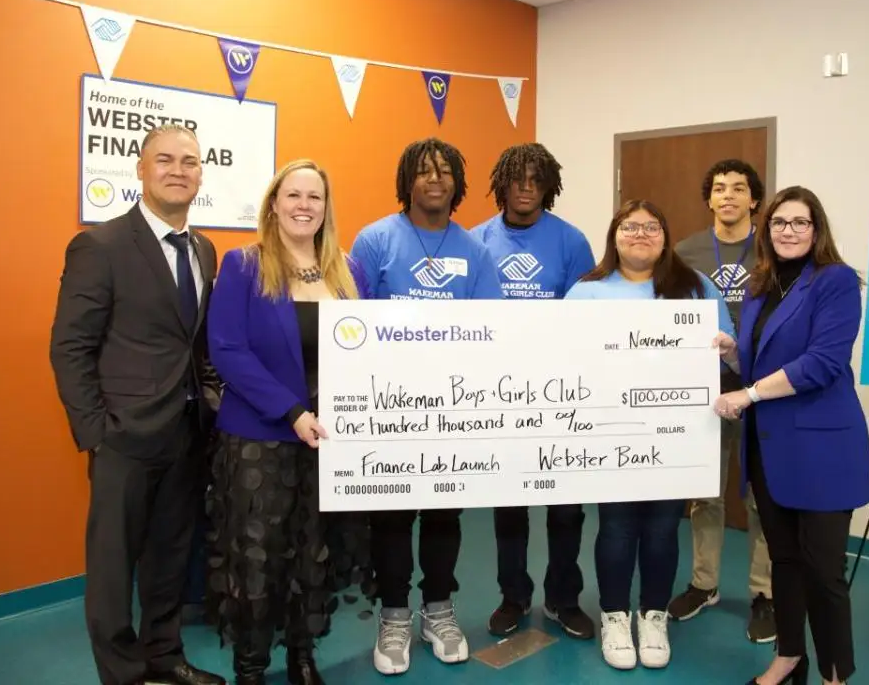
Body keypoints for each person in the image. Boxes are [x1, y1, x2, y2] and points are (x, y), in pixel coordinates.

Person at [49, 124, 225, 685]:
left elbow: (195, 340)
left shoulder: (203, 249)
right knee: (112, 566)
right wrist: (95, 430)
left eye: (190, 161)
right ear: (141, 169)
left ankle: (164, 655)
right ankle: (123, 674)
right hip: (122, 437)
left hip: (185, 432)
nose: (179, 170)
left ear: (202, 173)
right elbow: (70, 346)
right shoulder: (99, 245)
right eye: (165, 160)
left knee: (171, 556)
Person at [204, 160, 372, 685]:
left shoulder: (348, 272)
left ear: (326, 208)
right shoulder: (243, 265)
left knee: (312, 554)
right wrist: (292, 411)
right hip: (260, 439)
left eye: (315, 197)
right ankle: (251, 666)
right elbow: (227, 350)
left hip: (329, 441)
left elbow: (367, 347)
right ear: (273, 204)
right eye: (293, 195)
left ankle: (302, 655)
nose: (304, 206)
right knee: (258, 559)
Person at [349, 137, 503, 676]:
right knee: (391, 517)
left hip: (451, 409)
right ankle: (394, 614)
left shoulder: (475, 250)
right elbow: (352, 324)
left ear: (458, 183)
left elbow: (491, 330)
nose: (435, 180)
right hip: (388, 409)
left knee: (442, 516)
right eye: (424, 172)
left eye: (444, 172)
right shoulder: (373, 242)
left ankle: (439, 607)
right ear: (406, 181)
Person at [711, 186, 869, 685]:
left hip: (822, 448)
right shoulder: (761, 284)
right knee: (783, 561)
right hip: (770, 448)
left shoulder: (837, 281)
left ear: (817, 229)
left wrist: (749, 394)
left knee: (824, 571)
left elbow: (822, 364)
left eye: (800, 222)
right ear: (767, 228)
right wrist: (731, 353)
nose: (788, 231)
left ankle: (834, 674)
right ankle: (788, 657)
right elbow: (762, 361)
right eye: (780, 222)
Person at [565, 199, 734, 672]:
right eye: (630, 227)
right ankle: (615, 616)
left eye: (652, 227)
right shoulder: (587, 291)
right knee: (617, 526)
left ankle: (653, 615)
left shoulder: (696, 288)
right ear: (614, 236)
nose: (641, 234)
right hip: (608, 430)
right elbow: (561, 356)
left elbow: (729, 350)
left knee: (662, 527)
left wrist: (725, 348)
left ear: (665, 235)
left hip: (676, 433)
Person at [470, 143, 597, 641]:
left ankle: (563, 598)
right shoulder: (477, 240)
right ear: (500, 183)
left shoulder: (571, 242)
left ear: (549, 186)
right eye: (516, 178)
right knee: (510, 506)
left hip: (559, 391)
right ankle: (513, 596)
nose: (525, 187)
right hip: (499, 393)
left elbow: (583, 315)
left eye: (535, 179)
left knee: (566, 506)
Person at [671, 159, 775, 643]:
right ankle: (704, 583)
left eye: (739, 188)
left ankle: (764, 592)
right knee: (705, 495)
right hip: (704, 392)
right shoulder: (686, 251)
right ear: (709, 199)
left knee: (761, 498)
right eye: (719, 188)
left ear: (754, 199)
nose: (728, 195)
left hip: (762, 392)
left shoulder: (774, 246)